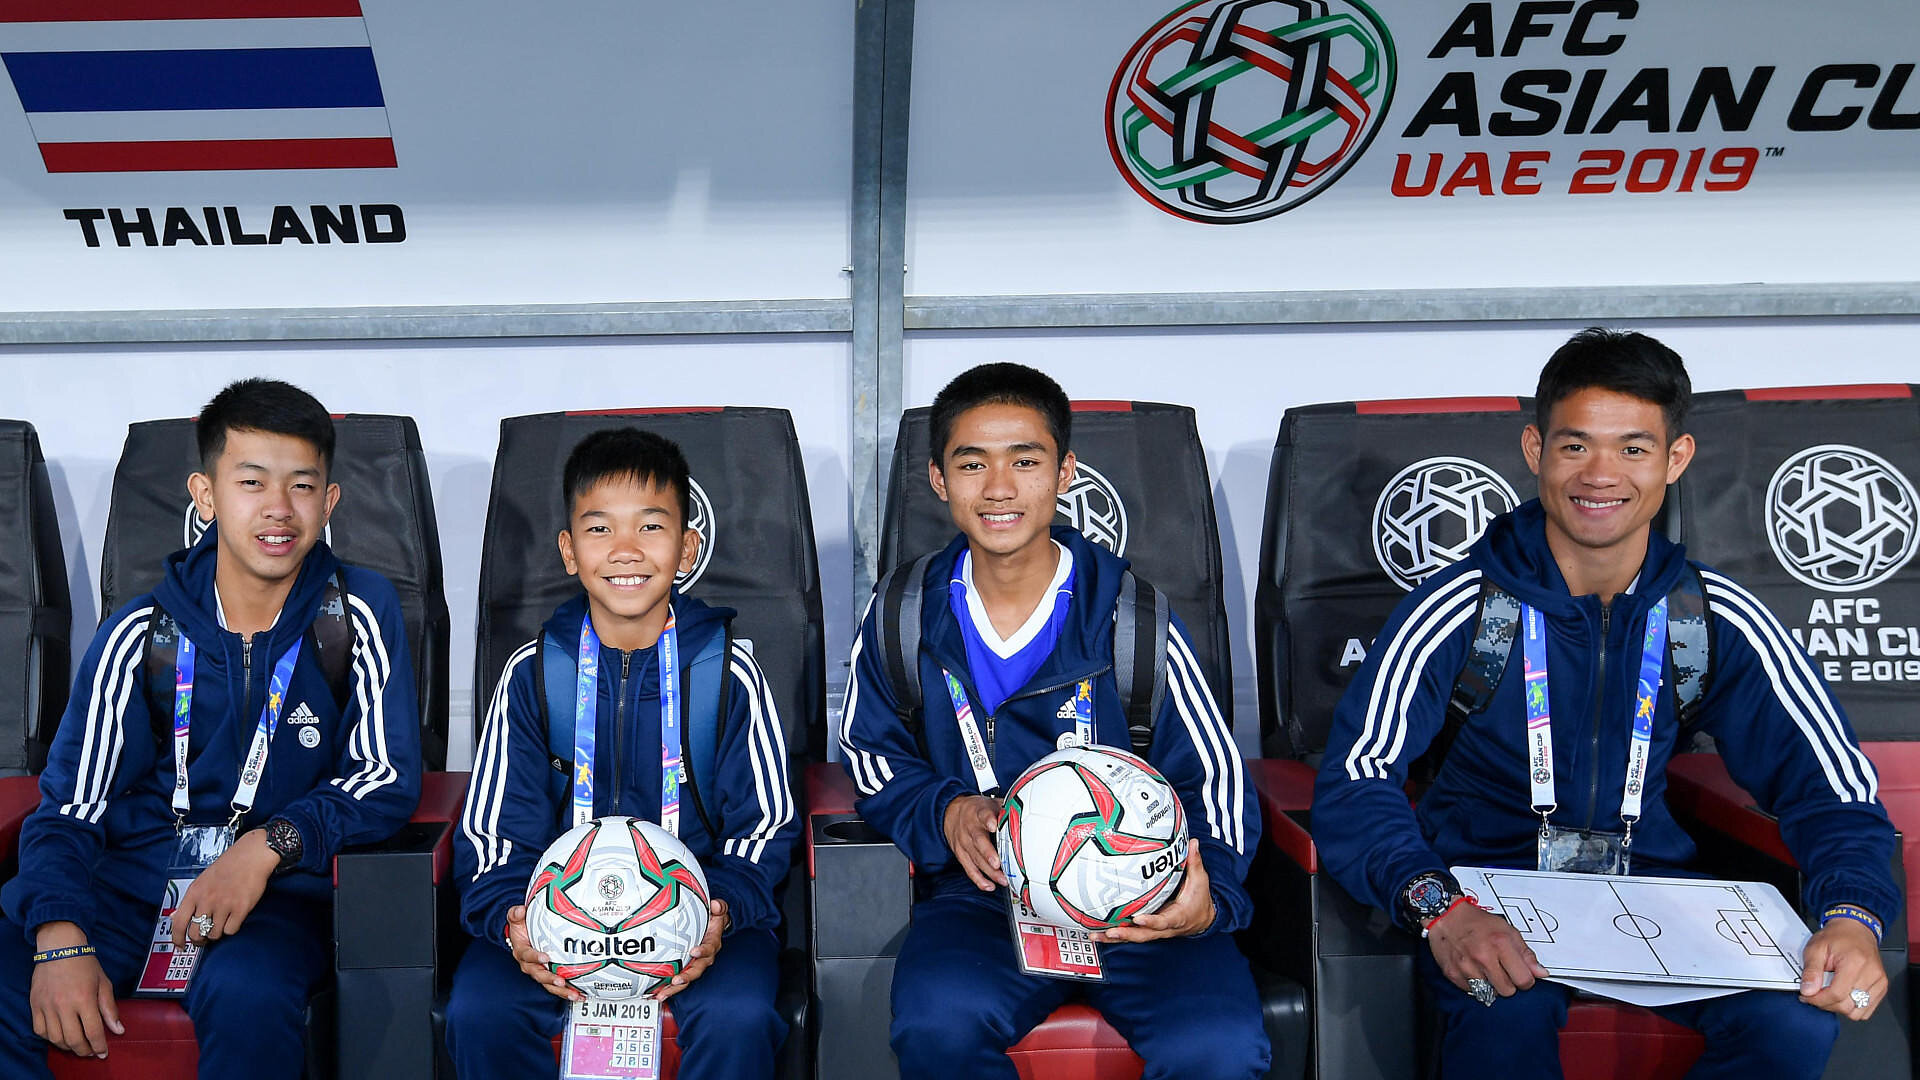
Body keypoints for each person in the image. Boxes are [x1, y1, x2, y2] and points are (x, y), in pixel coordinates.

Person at [1312, 328, 1898, 1078]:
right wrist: (1441, 908)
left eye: (1633, 448)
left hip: (1652, 894)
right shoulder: (1462, 608)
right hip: (1486, 896)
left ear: (1675, 459)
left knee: (1793, 1024)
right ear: (1535, 450)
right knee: (1504, 1016)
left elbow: (1833, 792)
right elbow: (1356, 781)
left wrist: (1853, 915)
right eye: (1575, 446)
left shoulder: (1711, 616)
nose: (1600, 475)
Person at [840, 362, 1269, 1079]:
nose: (999, 488)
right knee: (937, 1023)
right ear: (939, 480)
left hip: (1142, 898)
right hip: (988, 901)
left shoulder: (1134, 620)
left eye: (1025, 461)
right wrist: (944, 810)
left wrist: (1211, 895)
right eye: (971, 464)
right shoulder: (901, 613)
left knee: (1218, 1046)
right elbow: (870, 753)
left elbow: (1215, 777)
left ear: (1065, 471)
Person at [0, 378, 422, 1078]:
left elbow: (383, 779)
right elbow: (71, 807)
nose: (278, 508)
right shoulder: (139, 633)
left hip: (273, 899)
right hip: (132, 891)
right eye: (251, 482)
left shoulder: (353, 613)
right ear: (205, 495)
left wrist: (268, 846)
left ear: (329, 502)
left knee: (246, 993)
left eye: (302, 486)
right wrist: (60, 934)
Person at [447, 427, 796, 1078]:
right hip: (554, 924)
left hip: (699, 924)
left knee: (739, 1016)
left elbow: (765, 828)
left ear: (688, 547)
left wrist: (716, 912)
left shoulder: (727, 674)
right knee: (481, 1010)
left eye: (651, 527)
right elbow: (492, 835)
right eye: (600, 529)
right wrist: (514, 921)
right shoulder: (533, 674)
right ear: (569, 551)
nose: (626, 550)